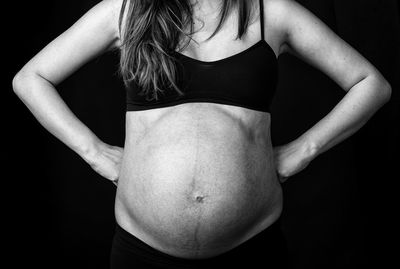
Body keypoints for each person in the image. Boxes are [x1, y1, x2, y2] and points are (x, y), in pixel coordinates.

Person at [12, 0, 391, 268]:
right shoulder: (126, 11)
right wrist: (94, 152)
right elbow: (31, 78)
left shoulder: (273, 11)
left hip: (252, 244)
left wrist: (304, 149)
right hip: (141, 250)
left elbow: (371, 83)